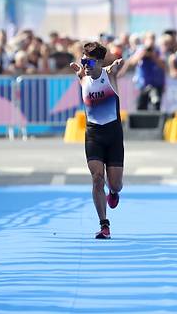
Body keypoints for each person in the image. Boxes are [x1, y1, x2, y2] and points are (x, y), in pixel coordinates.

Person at [69, 42, 125, 240]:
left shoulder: (109, 75)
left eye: (89, 61)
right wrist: (79, 67)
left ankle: (114, 192)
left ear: (99, 62)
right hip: (93, 134)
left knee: (116, 184)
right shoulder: (82, 76)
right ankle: (104, 225)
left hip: (113, 134)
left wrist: (116, 64)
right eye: (83, 60)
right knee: (96, 178)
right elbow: (79, 71)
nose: (85, 64)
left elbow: (118, 66)